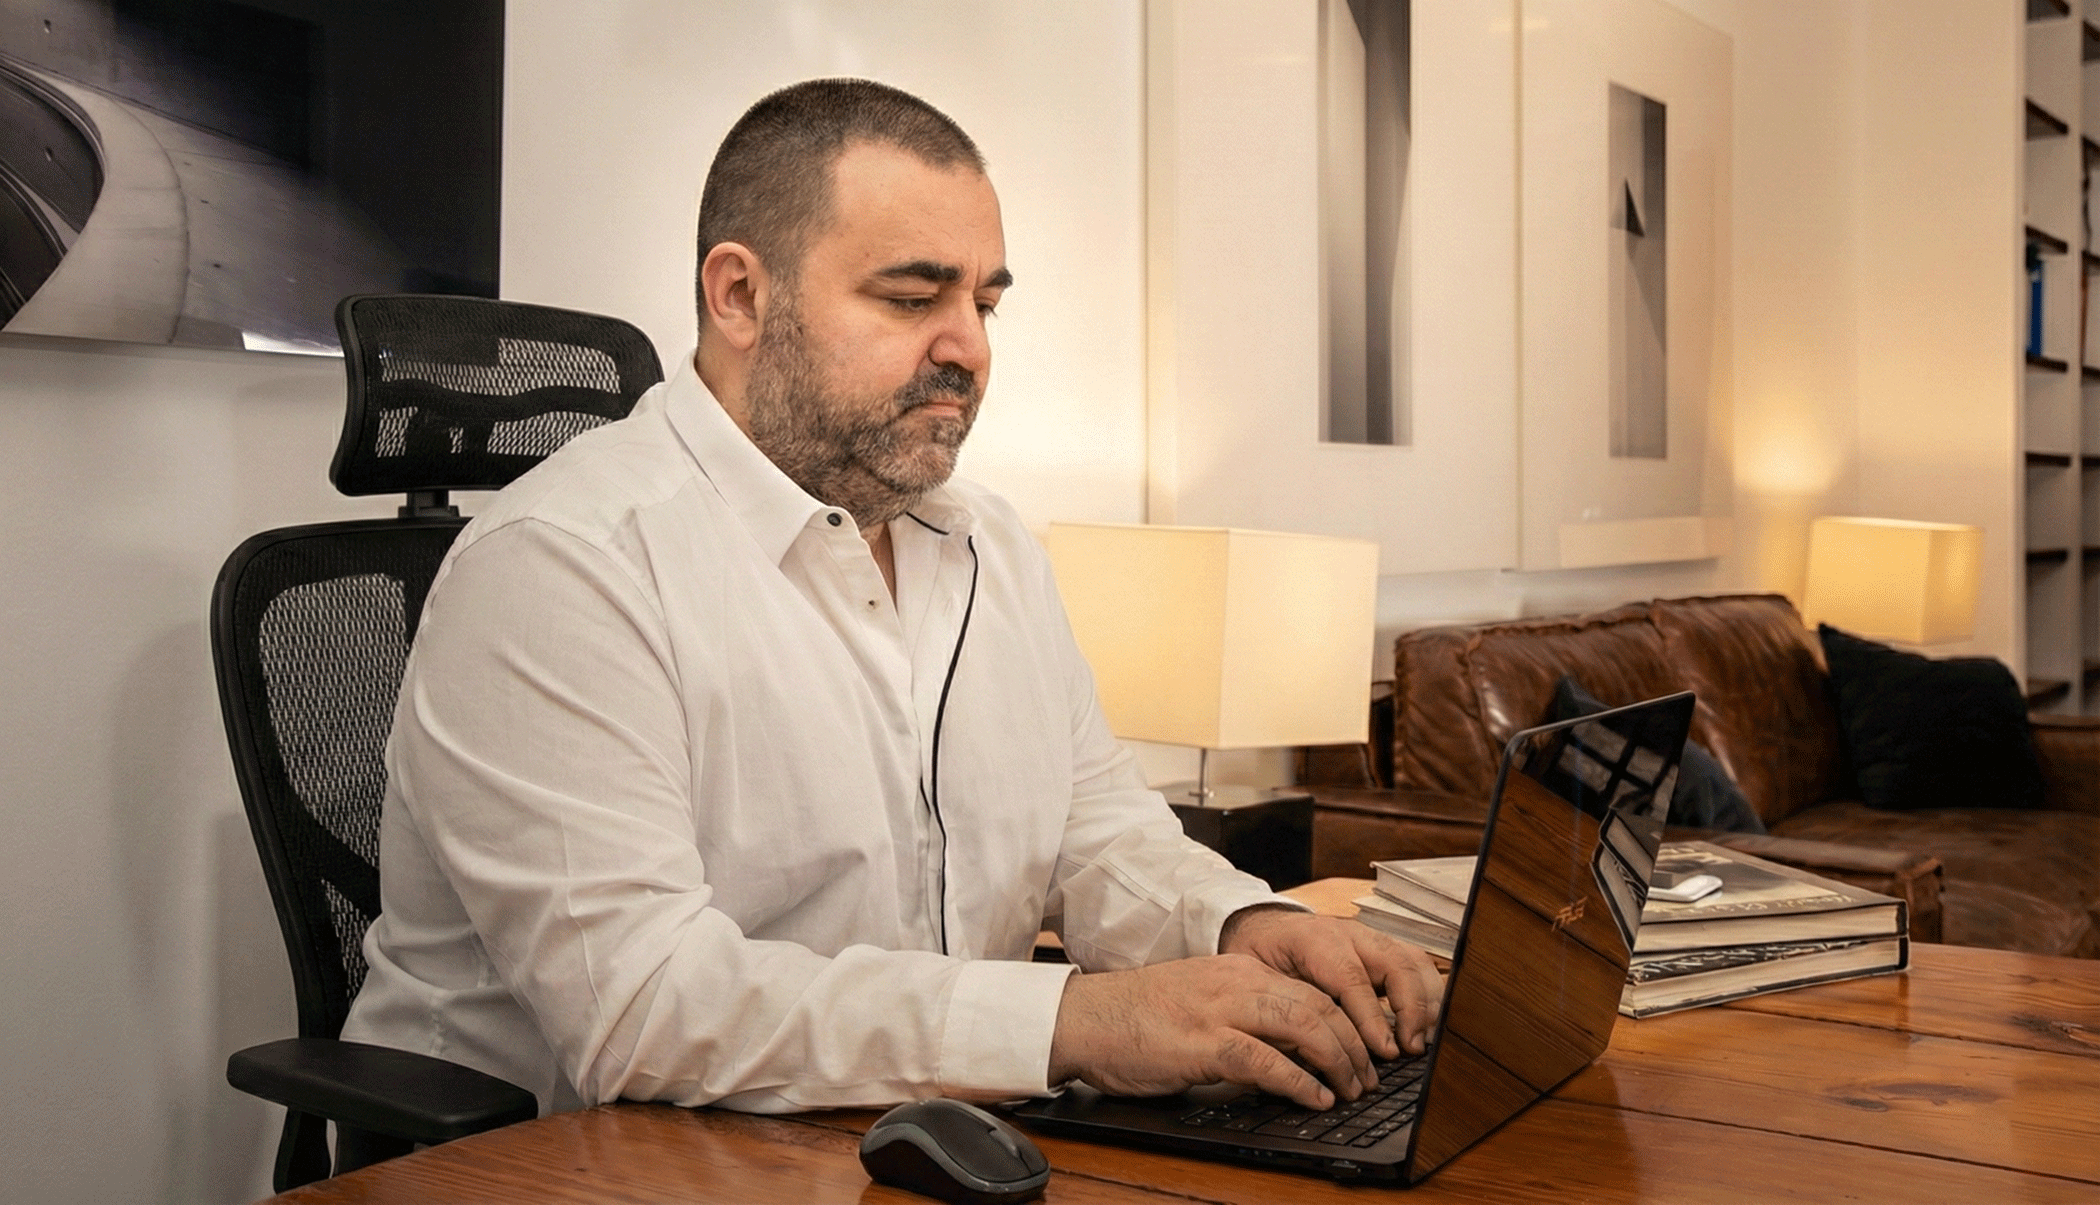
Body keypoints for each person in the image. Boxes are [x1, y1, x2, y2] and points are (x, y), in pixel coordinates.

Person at [341, 78, 1441, 1118]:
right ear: (740, 295)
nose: (968, 348)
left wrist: (1237, 921)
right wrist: (1073, 1021)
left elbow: (1093, 829)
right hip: (569, 1159)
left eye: (985, 302)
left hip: (899, 1132)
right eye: (914, 297)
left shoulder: (990, 545)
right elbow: (644, 1007)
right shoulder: (562, 566)